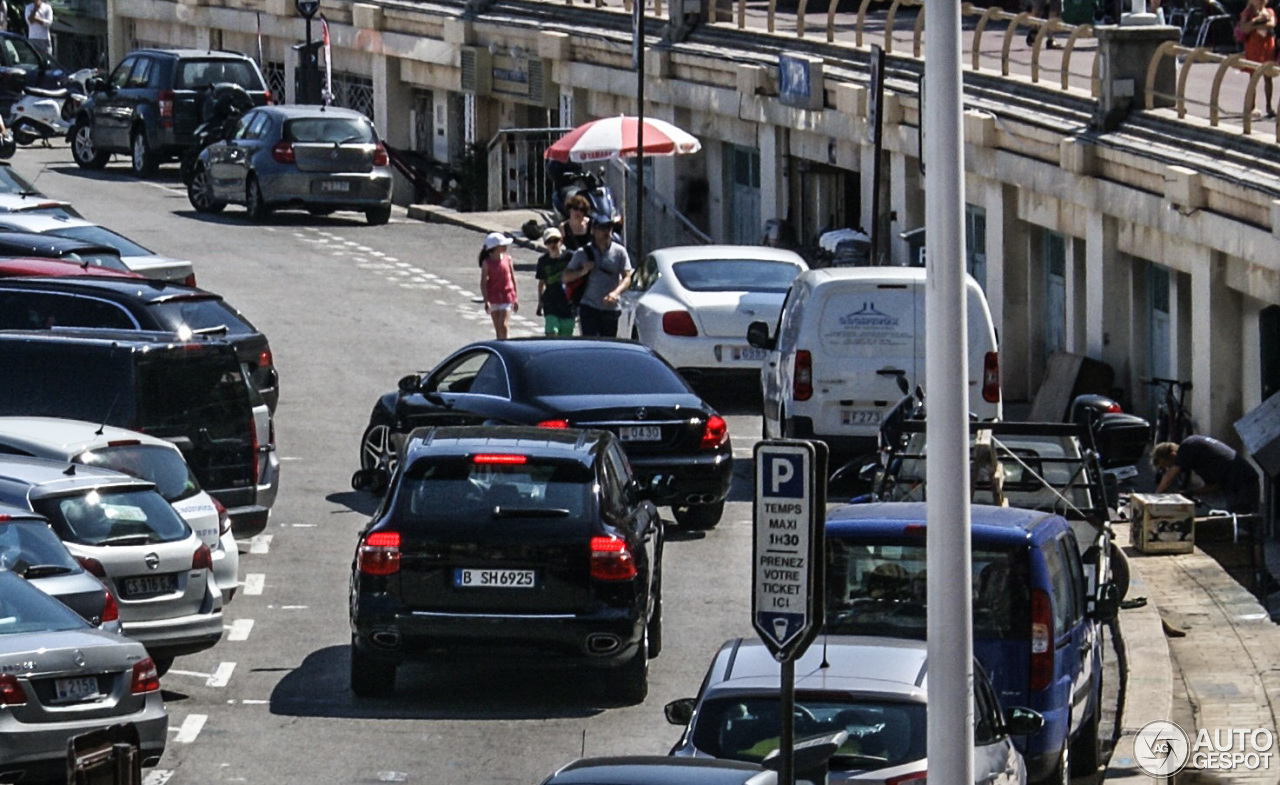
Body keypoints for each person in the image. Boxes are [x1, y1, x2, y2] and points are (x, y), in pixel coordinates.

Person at [563, 212, 631, 338]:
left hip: (611, 309)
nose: (607, 232)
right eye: (603, 228)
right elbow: (565, 276)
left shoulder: (620, 252)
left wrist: (615, 293)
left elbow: (627, 277)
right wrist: (582, 271)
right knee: (591, 345)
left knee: (608, 346)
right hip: (589, 307)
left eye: (609, 228)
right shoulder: (582, 253)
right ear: (594, 231)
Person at [1151, 435, 1261, 514]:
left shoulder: (1188, 446)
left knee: (1243, 522)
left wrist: (1154, 499)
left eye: (1167, 465)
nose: (1169, 468)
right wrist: (1190, 492)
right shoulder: (1199, 459)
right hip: (1237, 483)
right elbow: (1215, 486)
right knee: (1237, 521)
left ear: (1172, 455)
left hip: (1243, 482)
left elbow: (1169, 476)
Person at [1238, 0, 1276, 118]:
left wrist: (1256, 24)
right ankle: (1252, 106)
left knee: (1268, 76)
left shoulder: (1269, 11)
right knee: (1253, 76)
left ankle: (1269, 106)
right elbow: (1244, 28)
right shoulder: (1247, 12)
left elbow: (1271, 23)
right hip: (1254, 45)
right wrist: (1257, 21)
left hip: (1267, 45)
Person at [535, 226, 576, 337]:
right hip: (551, 302)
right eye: (549, 242)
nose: (552, 244)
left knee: (566, 336)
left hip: (567, 303)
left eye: (555, 240)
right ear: (545, 244)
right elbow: (541, 282)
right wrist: (540, 302)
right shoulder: (543, 261)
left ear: (561, 241)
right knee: (552, 332)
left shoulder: (570, 256)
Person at [478, 232, 518, 340]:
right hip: (494, 297)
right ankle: (500, 344)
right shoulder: (487, 263)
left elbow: (513, 278)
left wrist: (515, 297)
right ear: (495, 247)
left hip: (507, 296)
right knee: (497, 327)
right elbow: (483, 283)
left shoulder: (508, 259)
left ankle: (506, 343)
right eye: (502, 245)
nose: (505, 247)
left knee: (503, 324)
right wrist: (486, 300)